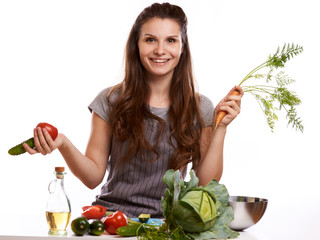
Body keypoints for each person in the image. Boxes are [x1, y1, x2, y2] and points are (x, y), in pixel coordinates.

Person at [24, 2, 243, 218]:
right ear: (136, 45)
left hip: (168, 224)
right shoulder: (111, 100)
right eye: (150, 40)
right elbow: (92, 178)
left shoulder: (199, 108)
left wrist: (221, 128)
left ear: (182, 47)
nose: (160, 50)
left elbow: (204, 183)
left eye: (171, 40)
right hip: (112, 220)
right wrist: (63, 142)